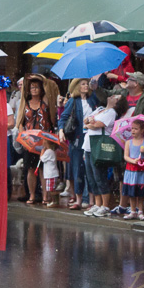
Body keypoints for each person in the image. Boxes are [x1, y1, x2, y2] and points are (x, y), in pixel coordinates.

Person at [59, 78, 98, 210]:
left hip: (91, 137)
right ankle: (79, 200)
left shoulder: (93, 100)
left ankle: (91, 200)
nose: (86, 86)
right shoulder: (72, 101)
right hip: (77, 138)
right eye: (83, 84)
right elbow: (63, 117)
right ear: (77, 87)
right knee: (77, 169)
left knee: (90, 169)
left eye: (87, 84)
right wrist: (61, 131)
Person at [82, 94, 123, 218]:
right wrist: (90, 123)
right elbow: (86, 122)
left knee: (99, 176)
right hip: (88, 145)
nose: (111, 96)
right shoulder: (100, 109)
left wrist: (90, 123)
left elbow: (98, 124)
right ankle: (97, 203)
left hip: (98, 146)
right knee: (91, 177)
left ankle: (105, 205)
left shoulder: (111, 112)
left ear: (117, 103)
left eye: (116, 97)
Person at [18, 74, 57, 204]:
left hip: (43, 140)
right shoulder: (25, 103)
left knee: (42, 168)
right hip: (29, 141)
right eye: (32, 87)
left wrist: (39, 77)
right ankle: (32, 195)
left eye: (37, 87)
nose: (34, 89)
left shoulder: (45, 101)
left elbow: (50, 86)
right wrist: (23, 138)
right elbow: (20, 123)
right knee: (30, 168)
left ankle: (46, 196)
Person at [121, 120, 144, 220]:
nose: (133, 131)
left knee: (141, 191)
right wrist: (133, 161)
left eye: (136, 129)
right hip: (131, 169)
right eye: (132, 128)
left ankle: (141, 211)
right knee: (132, 191)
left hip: (142, 170)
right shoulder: (128, 142)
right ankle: (133, 210)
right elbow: (125, 156)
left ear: (142, 130)